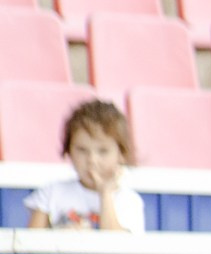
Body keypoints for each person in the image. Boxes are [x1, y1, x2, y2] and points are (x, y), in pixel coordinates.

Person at [25, 100, 143, 233]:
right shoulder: (50, 193)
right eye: (82, 150)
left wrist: (105, 194)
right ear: (69, 151)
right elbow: (31, 244)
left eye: (103, 151)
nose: (92, 160)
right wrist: (61, 236)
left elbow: (119, 246)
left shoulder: (129, 201)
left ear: (121, 154)